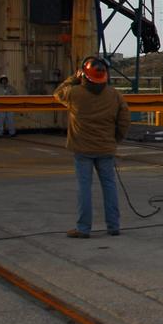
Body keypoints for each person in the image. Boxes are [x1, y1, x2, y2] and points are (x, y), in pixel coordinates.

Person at [54, 57, 130, 238]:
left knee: (84, 188)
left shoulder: (74, 94)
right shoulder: (115, 95)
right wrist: (115, 140)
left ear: (85, 76)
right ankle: (113, 226)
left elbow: (57, 93)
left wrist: (74, 77)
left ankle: (83, 228)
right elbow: (124, 121)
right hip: (106, 148)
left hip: (82, 149)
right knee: (109, 186)